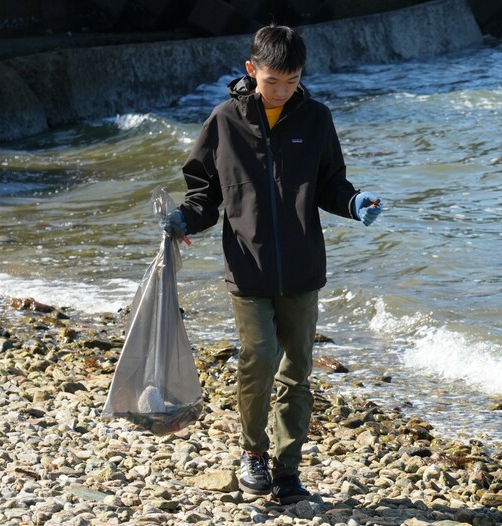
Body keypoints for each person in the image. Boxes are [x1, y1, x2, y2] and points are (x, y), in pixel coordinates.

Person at [163, 23, 382, 504]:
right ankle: (253, 453)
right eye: (273, 81)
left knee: (297, 371)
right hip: (247, 269)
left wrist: (354, 202)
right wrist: (183, 218)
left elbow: (330, 184)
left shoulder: (316, 119)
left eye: (292, 81)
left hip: (303, 270)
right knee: (258, 358)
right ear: (251, 70)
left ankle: (287, 468)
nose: (282, 90)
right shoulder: (224, 121)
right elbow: (204, 194)